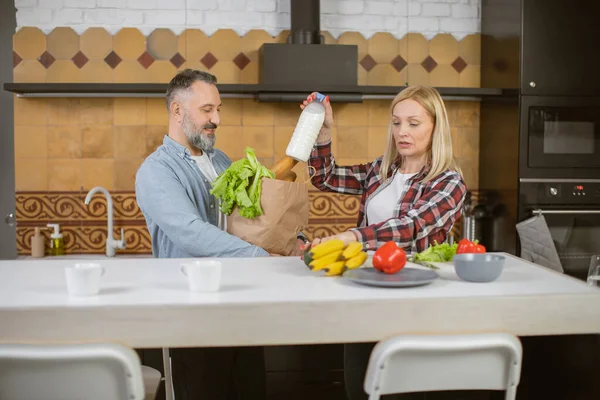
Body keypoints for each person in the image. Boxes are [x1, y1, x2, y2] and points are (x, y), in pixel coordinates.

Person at [135, 69, 301, 399]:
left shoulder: (222, 161)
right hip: (192, 315)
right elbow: (191, 233)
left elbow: (252, 219)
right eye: (207, 110)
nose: (217, 119)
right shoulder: (157, 170)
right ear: (177, 110)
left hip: (239, 306)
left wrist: (291, 241)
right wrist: (260, 257)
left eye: (218, 109)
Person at [303, 86, 468, 400]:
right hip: (365, 293)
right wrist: (323, 133)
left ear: (436, 127)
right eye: (396, 123)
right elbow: (324, 177)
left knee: (403, 390)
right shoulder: (381, 172)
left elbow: (412, 226)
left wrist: (354, 236)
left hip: (415, 304)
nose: (402, 132)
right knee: (361, 388)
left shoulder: (448, 182)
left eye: (413, 123)